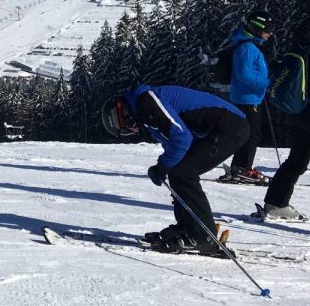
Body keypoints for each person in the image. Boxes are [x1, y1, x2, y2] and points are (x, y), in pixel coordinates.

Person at [103, 84, 249, 255]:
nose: (133, 131)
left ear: (125, 116)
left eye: (127, 130)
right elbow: (175, 140)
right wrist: (165, 166)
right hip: (223, 127)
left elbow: (181, 138)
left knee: (183, 174)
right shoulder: (143, 106)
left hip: (230, 126)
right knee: (179, 171)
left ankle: (203, 236)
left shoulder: (145, 102)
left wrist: (163, 166)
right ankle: (190, 227)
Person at [257, 20, 310, 221]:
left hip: (297, 111)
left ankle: (276, 203)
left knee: (297, 160)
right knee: (298, 160)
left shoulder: (301, 45)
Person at [221, 11, 274, 184]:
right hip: (247, 98)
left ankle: (240, 167)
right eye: (268, 29)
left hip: (249, 97)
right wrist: (265, 83)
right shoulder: (247, 48)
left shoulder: (248, 45)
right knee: (251, 135)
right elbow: (244, 75)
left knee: (247, 133)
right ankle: (243, 169)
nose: (270, 33)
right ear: (257, 28)